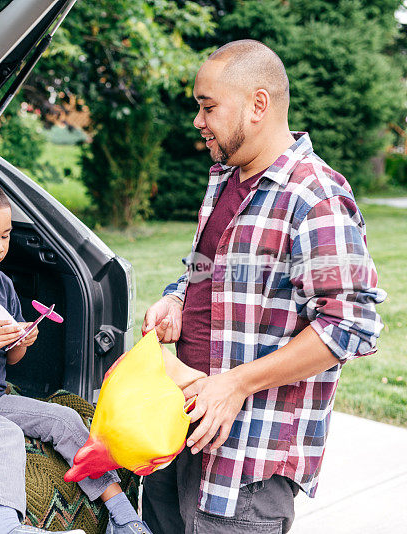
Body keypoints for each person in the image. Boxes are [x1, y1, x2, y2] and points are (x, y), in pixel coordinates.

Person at [141, 39, 386, 534]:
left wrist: (236, 384)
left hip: (245, 465)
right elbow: (204, 272)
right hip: (178, 433)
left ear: (258, 104)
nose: (198, 121)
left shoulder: (316, 196)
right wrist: (174, 298)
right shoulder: (224, 180)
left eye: (208, 107)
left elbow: (351, 325)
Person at [0, 175, 152, 534]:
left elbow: (11, 362)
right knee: (4, 435)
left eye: (5, 236)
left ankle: (123, 514)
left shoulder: (3, 284)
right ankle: (7, 526)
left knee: (67, 420)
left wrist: (19, 342)